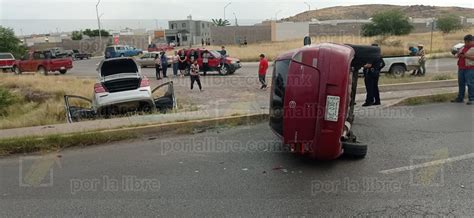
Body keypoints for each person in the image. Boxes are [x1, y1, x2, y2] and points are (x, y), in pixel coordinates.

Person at [451, 34, 474, 105]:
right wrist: (457, 54)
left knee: (470, 83)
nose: (466, 43)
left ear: (472, 41)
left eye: (467, 42)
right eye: (465, 42)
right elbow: (458, 54)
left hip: (470, 68)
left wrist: (465, 56)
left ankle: (472, 99)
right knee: (461, 83)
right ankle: (460, 98)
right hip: (461, 67)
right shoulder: (463, 47)